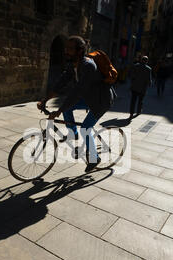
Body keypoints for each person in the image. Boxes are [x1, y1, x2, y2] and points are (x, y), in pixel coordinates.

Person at [37, 36, 116, 173]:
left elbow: (78, 92)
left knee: (85, 128)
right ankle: (73, 133)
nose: (66, 51)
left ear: (79, 51)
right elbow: (60, 84)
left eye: (70, 49)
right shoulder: (72, 65)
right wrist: (45, 100)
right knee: (68, 109)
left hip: (100, 101)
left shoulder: (89, 66)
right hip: (88, 97)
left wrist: (59, 110)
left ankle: (94, 158)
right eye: (66, 48)